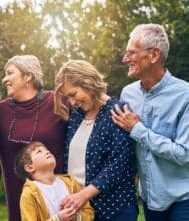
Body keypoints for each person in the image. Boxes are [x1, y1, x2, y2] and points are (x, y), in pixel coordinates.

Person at [111, 23, 189, 221]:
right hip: (148, 199)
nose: (125, 58)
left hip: (182, 199)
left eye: (131, 52)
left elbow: (185, 154)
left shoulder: (185, 95)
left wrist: (138, 129)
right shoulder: (128, 94)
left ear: (154, 55)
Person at [54, 60, 138, 221]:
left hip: (114, 209)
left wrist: (83, 195)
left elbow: (118, 164)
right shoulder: (76, 115)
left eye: (73, 94)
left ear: (88, 83)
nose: (72, 102)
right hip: (81, 210)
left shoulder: (118, 111)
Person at [0, 55, 67, 221]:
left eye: (10, 73)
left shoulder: (57, 101)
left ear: (28, 76)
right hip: (19, 207)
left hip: (60, 205)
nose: (4, 79)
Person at [15, 141, 95, 221]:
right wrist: (58, 219)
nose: (47, 151)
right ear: (30, 168)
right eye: (39, 151)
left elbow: (89, 212)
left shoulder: (70, 182)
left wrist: (77, 218)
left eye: (47, 149)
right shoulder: (28, 194)